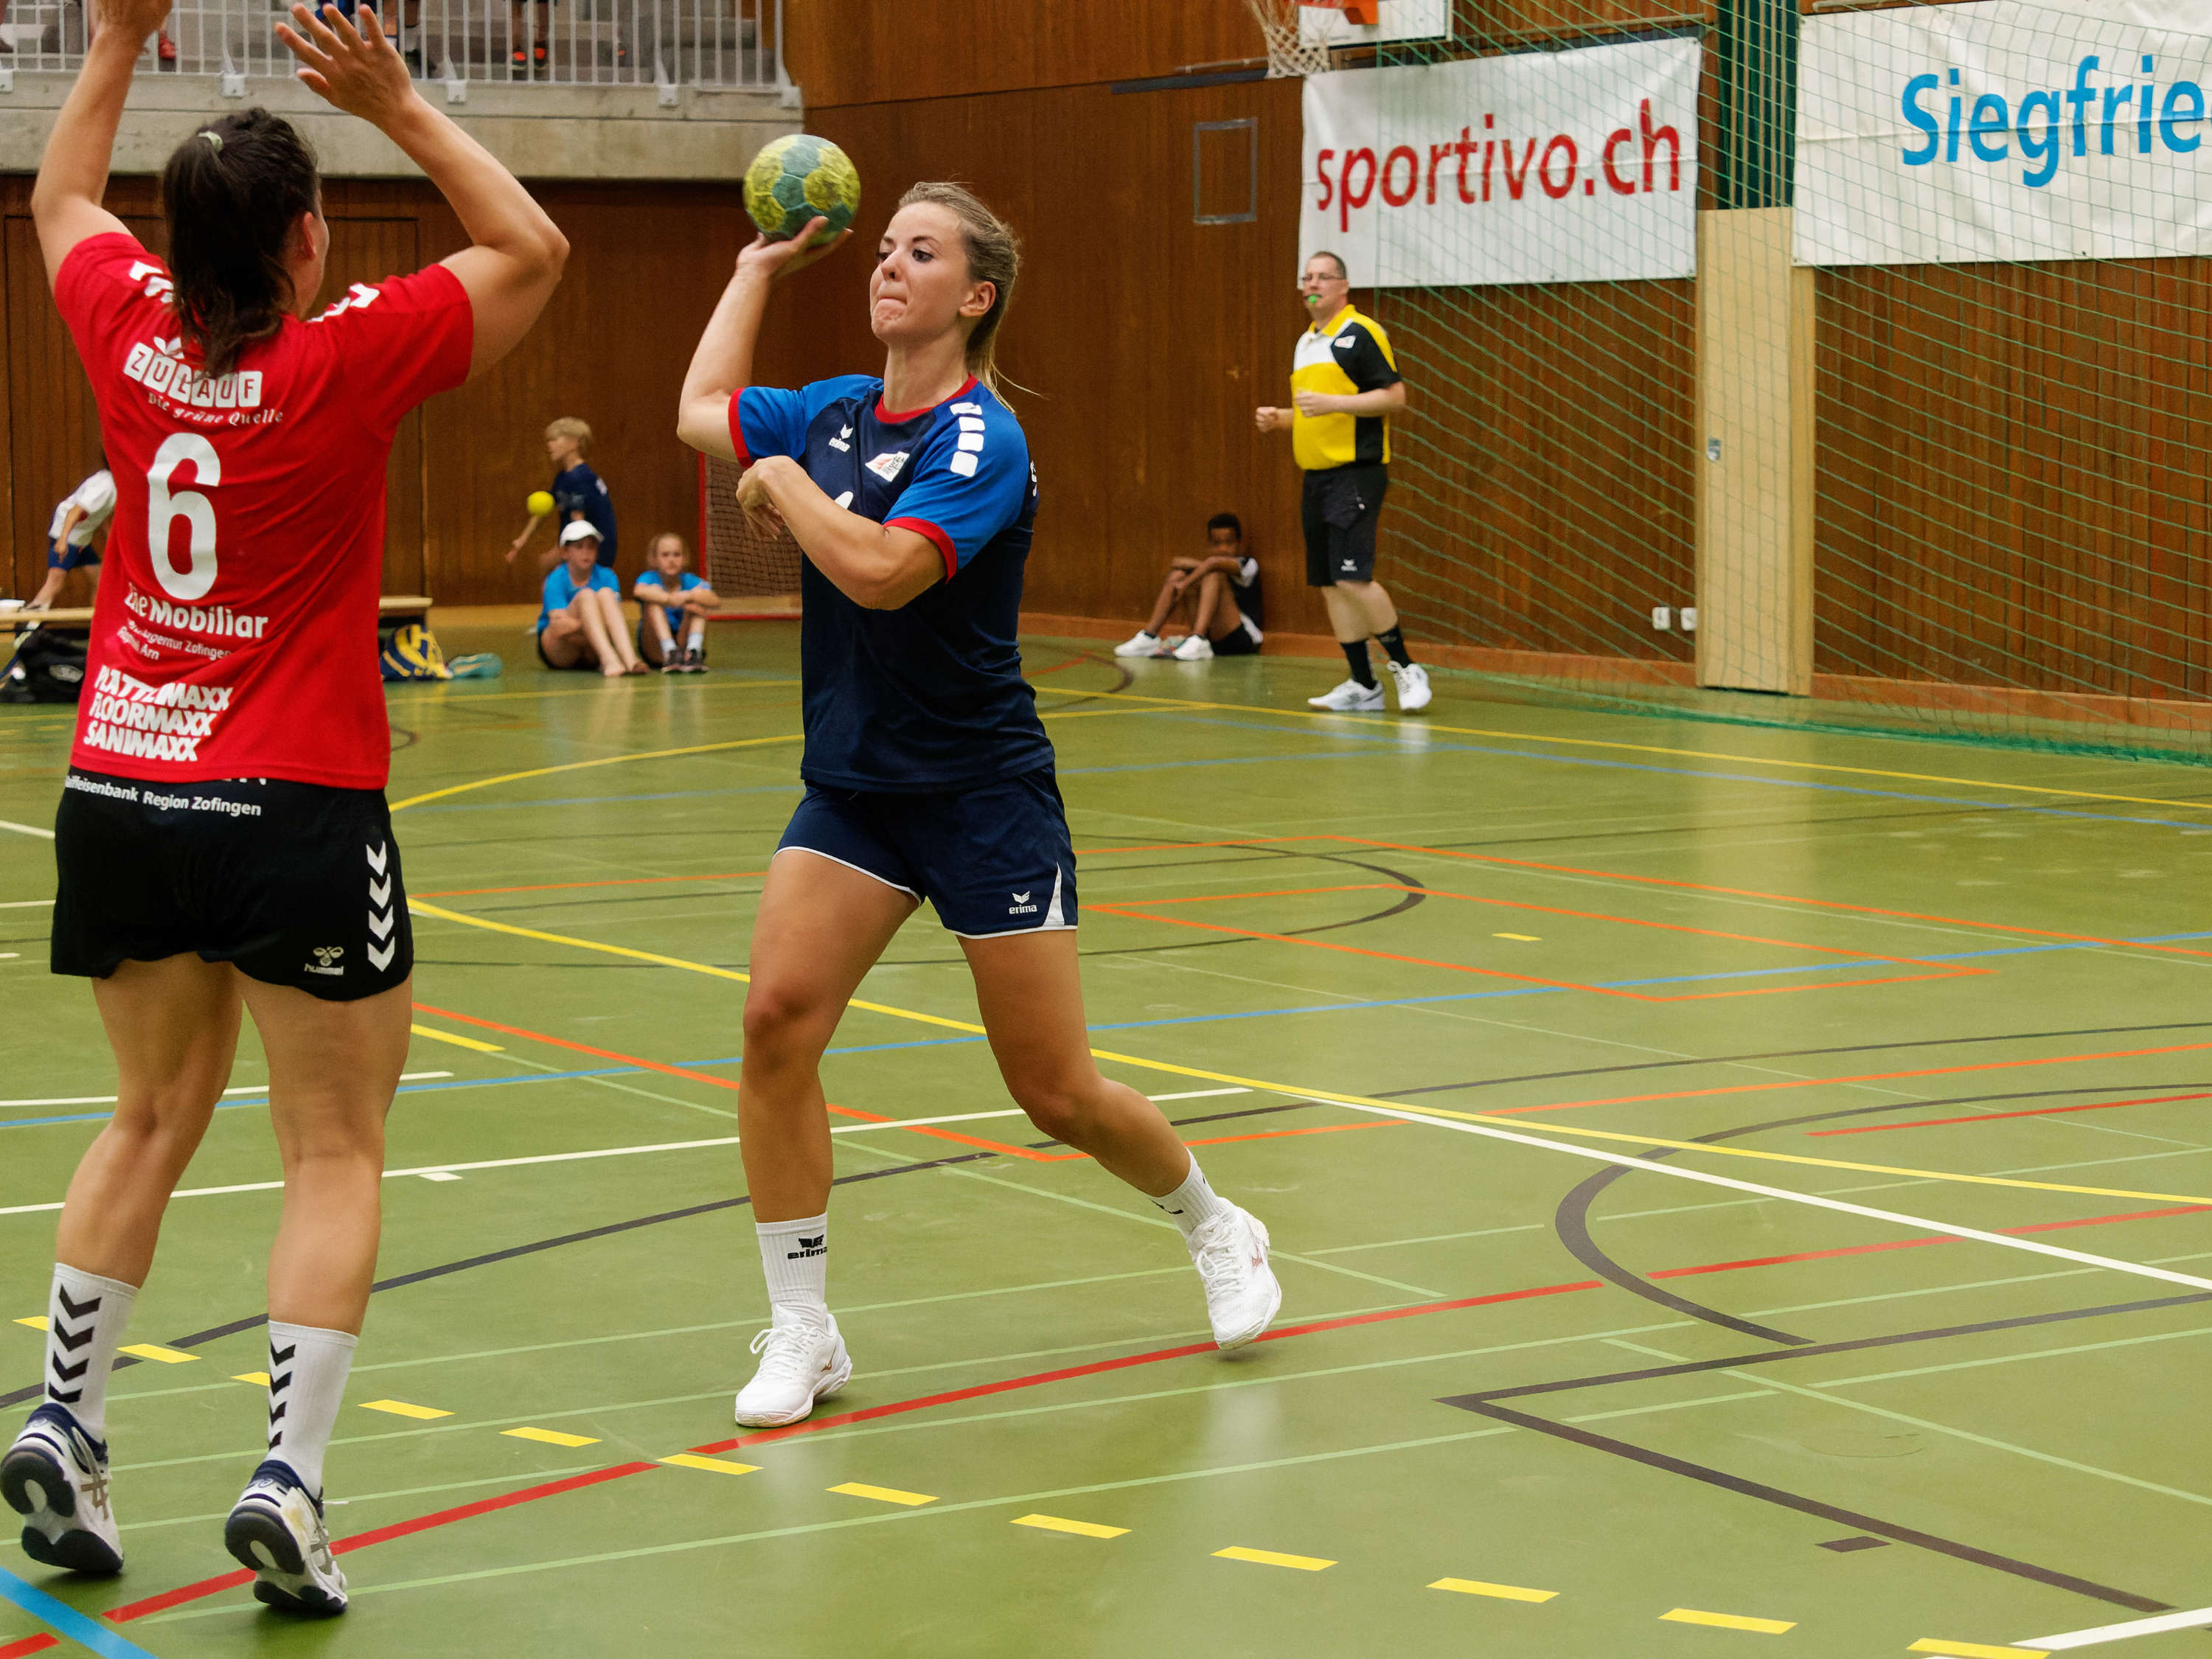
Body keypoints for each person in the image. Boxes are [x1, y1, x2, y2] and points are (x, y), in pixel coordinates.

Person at [0, 0, 563, 1615]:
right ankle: (290, 1484)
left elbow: (58, 202)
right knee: (332, 1148)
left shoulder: (121, 326)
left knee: (144, 1121)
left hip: (116, 784)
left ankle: (70, 1421)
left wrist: (115, 36)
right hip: (292, 801)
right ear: (312, 244)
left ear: (174, 247)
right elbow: (529, 249)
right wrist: (395, 101)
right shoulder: (345, 359)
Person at [674, 182, 1281, 1429]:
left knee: (1054, 1091)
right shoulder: (833, 411)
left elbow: (887, 573)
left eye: (922, 252)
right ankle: (804, 1327)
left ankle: (1218, 1225)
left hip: (981, 794)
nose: (891, 266)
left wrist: (779, 487)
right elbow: (697, 414)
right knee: (775, 1023)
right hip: (854, 791)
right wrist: (753, 271)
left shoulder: (978, 440)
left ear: (975, 294)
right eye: (887, 248)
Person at [1255, 251, 1430, 714]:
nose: (1312, 284)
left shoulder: (1361, 333)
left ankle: (1407, 667)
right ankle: (1363, 683)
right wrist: (1283, 419)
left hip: (1357, 473)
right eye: (1306, 277)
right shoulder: (1306, 342)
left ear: (1342, 286)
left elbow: (1395, 397)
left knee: (1353, 578)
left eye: (1322, 277)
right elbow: (1320, 415)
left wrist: (1332, 402)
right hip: (1316, 478)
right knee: (1331, 583)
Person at [1112, 512, 1264, 661]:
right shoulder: (1207, 565)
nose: (1223, 549)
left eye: (1229, 543)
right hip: (1214, 640)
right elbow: (1177, 562)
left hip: (1241, 638)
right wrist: (1187, 578)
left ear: (1239, 543)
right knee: (1178, 575)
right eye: (1217, 544)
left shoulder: (1249, 565)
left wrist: (1187, 582)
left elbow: (1213, 564)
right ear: (1209, 544)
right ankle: (1149, 636)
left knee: (1213, 574)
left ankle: (1199, 637)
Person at [505, 415, 615, 574]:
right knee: (549, 572)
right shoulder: (564, 477)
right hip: (579, 547)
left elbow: (579, 524)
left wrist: (557, 553)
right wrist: (521, 540)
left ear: (574, 443)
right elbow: (544, 509)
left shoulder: (582, 479)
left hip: (594, 550)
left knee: (550, 572)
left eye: (555, 440)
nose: (549, 445)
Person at [537, 521, 642, 675]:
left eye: (591, 547)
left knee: (606, 594)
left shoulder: (607, 576)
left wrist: (586, 626)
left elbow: (614, 622)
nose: (586, 553)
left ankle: (630, 659)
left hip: (591, 647)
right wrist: (589, 623)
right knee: (586, 596)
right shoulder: (556, 578)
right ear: (565, 552)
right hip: (561, 648)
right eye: (579, 547)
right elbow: (559, 627)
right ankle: (609, 659)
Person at [27, 461, 117, 611]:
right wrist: (62, 540)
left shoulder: (110, 481)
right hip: (70, 538)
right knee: (54, 583)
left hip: (82, 540)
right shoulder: (105, 487)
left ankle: (96, 627)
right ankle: (27, 627)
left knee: (100, 582)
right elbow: (75, 511)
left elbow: (100, 515)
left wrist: (110, 537)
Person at [632, 529, 719, 672]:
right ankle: (669, 651)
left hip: (681, 642)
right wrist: (668, 599)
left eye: (676, 555)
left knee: (697, 603)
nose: (671, 560)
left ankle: (693, 652)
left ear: (684, 558)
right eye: (665, 555)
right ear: (654, 559)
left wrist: (689, 596)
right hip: (655, 646)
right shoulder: (649, 578)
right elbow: (639, 591)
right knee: (653, 602)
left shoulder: (689, 580)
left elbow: (714, 600)